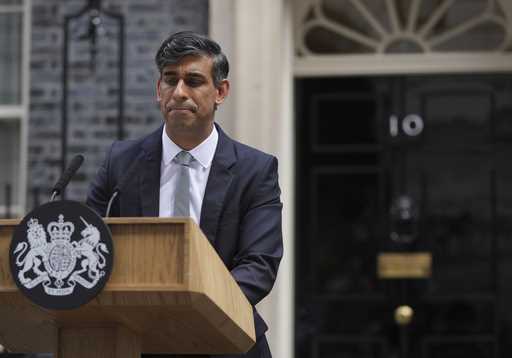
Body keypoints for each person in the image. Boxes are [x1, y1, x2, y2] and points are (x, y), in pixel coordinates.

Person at [86, 31, 283, 358]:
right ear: (157, 89)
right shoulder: (121, 163)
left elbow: (258, 265)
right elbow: (90, 246)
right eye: (170, 79)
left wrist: (190, 314)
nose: (179, 92)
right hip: (135, 340)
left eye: (193, 81)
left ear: (221, 92)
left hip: (225, 339)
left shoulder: (255, 170)